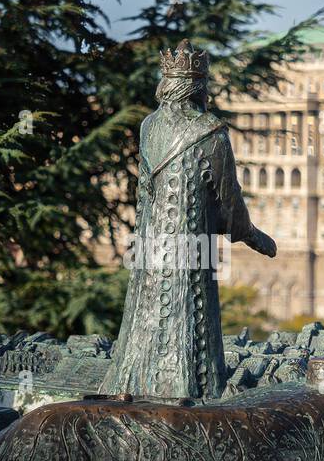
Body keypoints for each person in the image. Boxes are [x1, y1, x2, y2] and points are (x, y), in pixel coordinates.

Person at [101, 39, 275, 400]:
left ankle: (135, 382)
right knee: (190, 310)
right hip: (191, 246)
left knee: (146, 311)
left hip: (151, 244)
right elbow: (230, 203)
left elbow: (144, 191)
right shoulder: (211, 132)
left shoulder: (149, 127)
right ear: (198, 88)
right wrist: (253, 236)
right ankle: (189, 386)